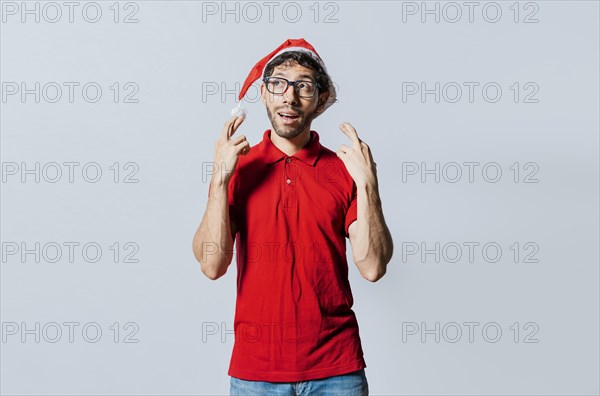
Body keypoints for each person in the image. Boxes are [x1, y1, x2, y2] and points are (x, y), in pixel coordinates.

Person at [192, 38, 393, 396]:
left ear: (320, 99)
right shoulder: (238, 169)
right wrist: (218, 180)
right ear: (265, 94)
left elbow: (373, 267)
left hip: (337, 371)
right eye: (279, 84)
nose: (289, 96)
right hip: (256, 374)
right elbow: (211, 264)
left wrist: (368, 186)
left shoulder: (344, 171)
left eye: (303, 86)